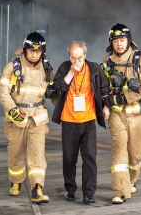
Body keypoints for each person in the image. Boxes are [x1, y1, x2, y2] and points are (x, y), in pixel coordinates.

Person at [0, 32, 57, 204]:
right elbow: (3, 92)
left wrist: (63, 108)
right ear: (24, 49)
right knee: (15, 151)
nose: (34, 54)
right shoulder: (13, 67)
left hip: (38, 118)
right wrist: (12, 111)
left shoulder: (47, 68)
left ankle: (37, 188)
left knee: (37, 154)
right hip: (17, 116)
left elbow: (54, 93)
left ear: (42, 52)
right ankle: (15, 182)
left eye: (38, 51)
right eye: (31, 50)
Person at [52, 41, 110, 204]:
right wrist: (71, 72)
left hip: (88, 120)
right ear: (69, 57)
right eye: (73, 58)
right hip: (69, 121)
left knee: (90, 157)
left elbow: (105, 87)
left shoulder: (94, 68)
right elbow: (58, 87)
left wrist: (106, 106)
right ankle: (70, 190)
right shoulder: (65, 68)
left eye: (79, 57)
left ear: (85, 55)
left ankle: (88, 193)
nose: (76, 61)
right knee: (69, 158)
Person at [101, 23, 141, 204]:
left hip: (137, 114)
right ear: (111, 43)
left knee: (135, 154)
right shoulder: (106, 61)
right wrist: (105, 105)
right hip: (117, 116)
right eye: (115, 41)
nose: (119, 44)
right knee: (119, 150)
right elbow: (102, 87)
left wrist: (123, 98)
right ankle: (120, 190)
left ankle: (131, 180)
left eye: (122, 40)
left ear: (128, 40)